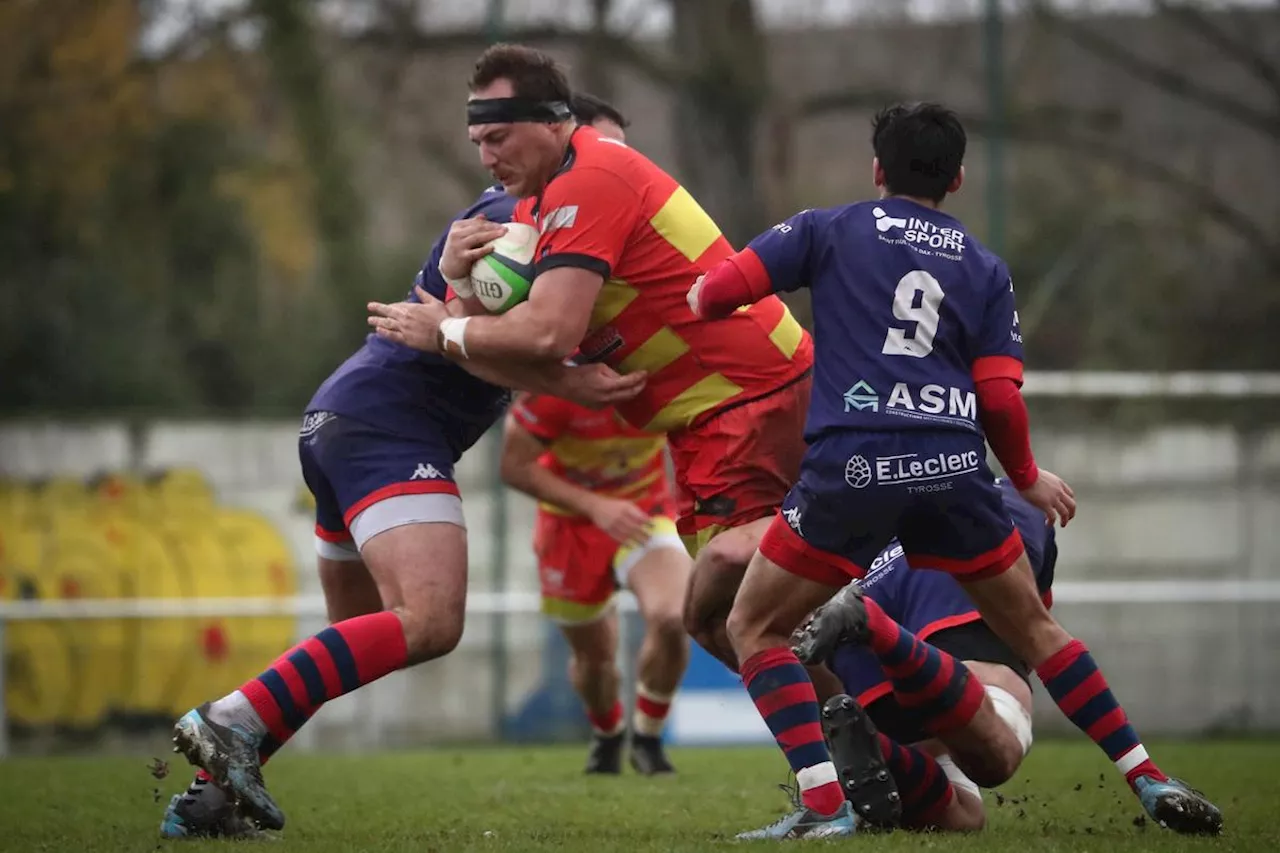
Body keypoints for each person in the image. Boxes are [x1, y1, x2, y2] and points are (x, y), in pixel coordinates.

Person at [688, 101, 1222, 839]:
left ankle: (822, 804)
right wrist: (1027, 474)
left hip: (856, 464)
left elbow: (717, 293)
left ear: (878, 169)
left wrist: (702, 295)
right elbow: (999, 396)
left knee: (754, 624)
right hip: (954, 466)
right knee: (1036, 629)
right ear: (959, 178)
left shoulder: (828, 228)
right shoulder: (984, 267)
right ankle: (1146, 774)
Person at [161, 95, 643, 838]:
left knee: (356, 637)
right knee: (431, 620)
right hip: (387, 425)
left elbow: (498, 339)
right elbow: (481, 328)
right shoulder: (515, 219)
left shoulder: (559, 233)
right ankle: (230, 718)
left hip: (343, 421)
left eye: (626, 161)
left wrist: (564, 370)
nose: (617, 175)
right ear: (560, 141)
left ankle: (208, 800)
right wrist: (555, 365)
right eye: (603, 154)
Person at [365, 44, 814, 678]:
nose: (487, 156)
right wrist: (456, 283)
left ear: (553, 121)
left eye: (499, 137)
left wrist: (446, 331)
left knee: (737, 615)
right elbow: (504, 348)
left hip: (743, 403)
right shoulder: (532, 212)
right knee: (733, 618)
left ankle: (886, 751)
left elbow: (544, 333)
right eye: (477, 142)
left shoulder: (589, 182)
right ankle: (885, 751)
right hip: (715, 417)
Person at [801, 479, 1052, 832]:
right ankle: (875, 626)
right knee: (997, 756)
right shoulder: (1017, 496)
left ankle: (882, 749)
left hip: (850, 598)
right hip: (942, 559)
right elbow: (1038, 631)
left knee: (964, 818)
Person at [501, 393, 689, 774]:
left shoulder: (663, 372)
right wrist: (595, 506)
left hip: (644, 515)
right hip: (568, 528)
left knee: (672, 617)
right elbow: (512, 467)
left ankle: (648, 739)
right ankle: (608, 732)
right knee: (595, 659)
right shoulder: (556, 387)